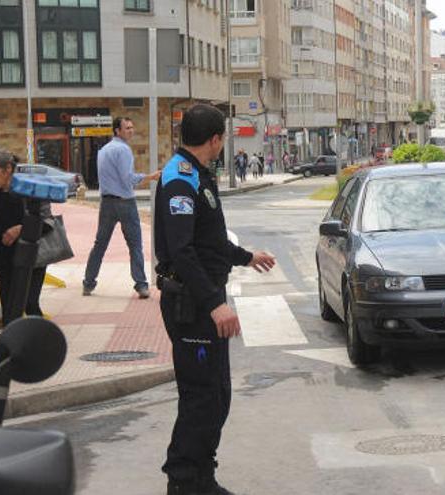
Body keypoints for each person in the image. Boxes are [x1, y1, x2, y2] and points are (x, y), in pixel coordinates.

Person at [155, 104, 275, 495]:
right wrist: (214, 303)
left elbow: (208, 240)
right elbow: (182, 250)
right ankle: (185, 482)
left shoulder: (198, 175)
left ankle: (201, 476)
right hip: (191, 305)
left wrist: (246, 257)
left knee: (217, 395)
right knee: (201, 398)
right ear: (215, 140)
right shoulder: (180, 178)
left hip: (202, 299)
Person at [82, 117, 161, 299]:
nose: (131, 131)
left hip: (106, 203)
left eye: (132, 127)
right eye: (127, 128)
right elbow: (128, 178)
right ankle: (141, 285)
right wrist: (151, 176)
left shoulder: (103, 150)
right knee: (135, 246)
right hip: (125, 202)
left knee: (99, 245)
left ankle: (88, 283)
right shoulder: (123, 150)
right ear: (117, 131)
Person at [0, 149, 55, 322]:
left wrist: (20, 228)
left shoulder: (31, 189)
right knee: (9, 307)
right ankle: (10, 347)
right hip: (3, 258)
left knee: (29, 303)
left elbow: (47, 222)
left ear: (7, 169)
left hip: (32, 257)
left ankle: (41, 343)